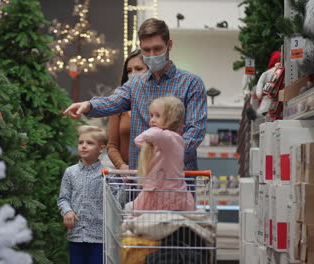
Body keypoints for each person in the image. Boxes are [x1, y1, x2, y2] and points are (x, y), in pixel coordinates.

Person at [64, 18, 207, 172]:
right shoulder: (135, 84)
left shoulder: (191, 83)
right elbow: (113, 101)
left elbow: (195, 130)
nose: (152, 55)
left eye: (157, 49)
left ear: (169, 45)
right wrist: (89, 105)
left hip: (177, 177)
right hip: (140, 177)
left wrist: (167, 154)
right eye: (146, 50)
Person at [133, 96, 195, 212]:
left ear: (171, 118)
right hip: (161, 191)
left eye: (157, 116)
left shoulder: (169, 138)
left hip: (166, 194)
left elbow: (146, 136)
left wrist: (155, 130)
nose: (152, 120)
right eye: (151, 115)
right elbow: (138, 140)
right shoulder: (166, 139)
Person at [57, 125, 108, 264]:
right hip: (76, 235)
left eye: (89, 143)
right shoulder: (70, 172)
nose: (84, 146)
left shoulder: (107, 174)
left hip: (99, 237)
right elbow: (63, 198)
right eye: (81, 143)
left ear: (101, 149)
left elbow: (116, 202)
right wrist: (67, 211)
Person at [108, 49, 149, 171]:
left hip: (155, 175)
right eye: (129, 71)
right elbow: (112, 145)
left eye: (139, 69)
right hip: (127, 177)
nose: (133, 74)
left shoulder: (159, 104)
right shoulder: (119, 103)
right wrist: (121, 166)